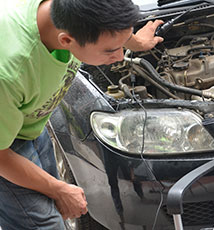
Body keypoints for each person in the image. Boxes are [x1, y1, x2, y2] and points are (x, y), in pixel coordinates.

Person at [0, 0, 163, 229]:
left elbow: (111, 28)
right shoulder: (10, 72)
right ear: (66, 40)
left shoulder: (73, 15)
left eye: (121, 45)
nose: (119, 57)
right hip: (5, 147)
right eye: (110, 50)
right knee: (44, 224)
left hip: (25, 120)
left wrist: (135, 42)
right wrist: (59, 188)